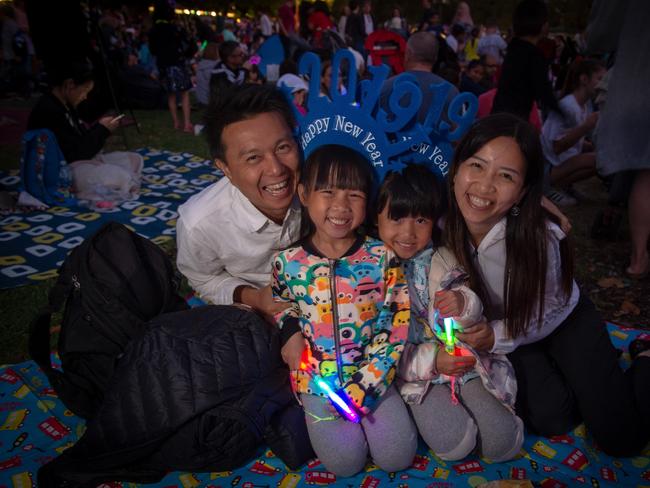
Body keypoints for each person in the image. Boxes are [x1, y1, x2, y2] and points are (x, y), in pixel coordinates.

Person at [444, 113, 650, 457]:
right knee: (551, 418)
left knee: (621, 437)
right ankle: (588, 374)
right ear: (455, 168)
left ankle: (643, 355)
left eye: (505, 176)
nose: (484, 186)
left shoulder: (540, 237)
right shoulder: (441, 212)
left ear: (524, 189)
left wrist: (496, 335)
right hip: (512, 330)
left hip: (559, 320)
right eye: (476, 166)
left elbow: (548, 310)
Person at [272, 144, 417, 477]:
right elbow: (281, 304)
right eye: (327, 192)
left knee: (397, 458)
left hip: (374, 381)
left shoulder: (382, 258)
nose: (340, 206)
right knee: (344, 465)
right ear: (304, 194)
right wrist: (289, 332)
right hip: (317, 386)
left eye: (354, 195)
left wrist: (365, 387)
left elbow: (394, 325)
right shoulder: (286, 262)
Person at [376, 165, 523, 462]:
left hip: (464, 362)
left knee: (503, 442)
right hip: (415, 375)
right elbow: (380, 351)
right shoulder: (370, 273)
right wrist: (433, 361)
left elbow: (472, 311)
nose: (408, 232)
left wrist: (463, 303)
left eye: (420, 219)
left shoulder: (442, 257)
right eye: (397, 217)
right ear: (376, 217)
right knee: (453, 445)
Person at [176, 84, 301, 319]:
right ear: (225, 169)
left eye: (283, 147)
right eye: (253, 158)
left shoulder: (322, 188)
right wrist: (253, 297)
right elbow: (204, 278)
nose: (276, 169)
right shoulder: (199, 224)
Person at [27, 59, 120, 163]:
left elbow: (80, 140)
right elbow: (76, 154)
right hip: (56, 169)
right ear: (70, 85)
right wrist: (102, 130)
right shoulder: (50, 112)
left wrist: (101, 126)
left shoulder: (66, 104)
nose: (85, 97)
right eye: (84, 90)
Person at [541, 59, 605, 206]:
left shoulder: (584, 106)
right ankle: (548, 189)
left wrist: (589, 145)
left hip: (559, 164)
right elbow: (555, 147)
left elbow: (573, 140)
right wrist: (586, 127)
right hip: (546, 167)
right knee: (597, 160)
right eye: (600, 79)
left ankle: (563, 186)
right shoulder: (568, 106)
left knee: (601, 158)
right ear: (584, 79)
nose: (603, 84)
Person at [491, 0, 559, 120]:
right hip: (514, 121)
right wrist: (565, 114)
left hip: (497, 116)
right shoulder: (534, 55)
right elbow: (545, 94)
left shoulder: (513, 48)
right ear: (542, 26)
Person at [381, 31, 459, 127]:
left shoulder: (385, 87)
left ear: (408, 53)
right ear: (435, 58)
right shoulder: (452, 92)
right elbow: (457, 133)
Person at [148, 1, 195, 132]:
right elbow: (187, 46)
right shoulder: (175, 29)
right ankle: (187, 124)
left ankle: (176, 123)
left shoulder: (153, 30)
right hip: (177, 63)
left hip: (163, 65)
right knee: (184, 93)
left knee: (171, 95)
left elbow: (153, 51)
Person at [194, 42, 219, 106]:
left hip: (201, 98)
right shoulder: (211, 66)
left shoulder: (202, 64)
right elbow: (214, 84)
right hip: (207, 100)